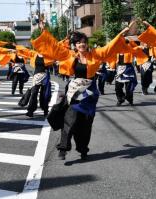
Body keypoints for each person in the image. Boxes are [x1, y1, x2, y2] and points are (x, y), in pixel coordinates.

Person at [31, 21, 134, 160]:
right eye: (79, 42)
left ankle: (83, 148)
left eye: (84, 42)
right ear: (75, 45)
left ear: (87, 43)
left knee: (85, 124)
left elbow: (109, 47)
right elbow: (54, 46)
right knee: (70, 118)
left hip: (89, 93)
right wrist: (44, 31)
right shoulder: (69, 55)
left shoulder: (95, 54)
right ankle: (63, 147)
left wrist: (122, 33)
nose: (82, 44)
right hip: (74, 90)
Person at [15, 45, 54, 117]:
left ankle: (45, 110)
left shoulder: (48, 55)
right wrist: (17, 46)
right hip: (36, 76)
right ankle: (30, 111)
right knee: (34, 93)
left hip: (45, 76)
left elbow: (55, 49)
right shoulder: (34, 54)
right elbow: (25, 50)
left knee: (45, 94)